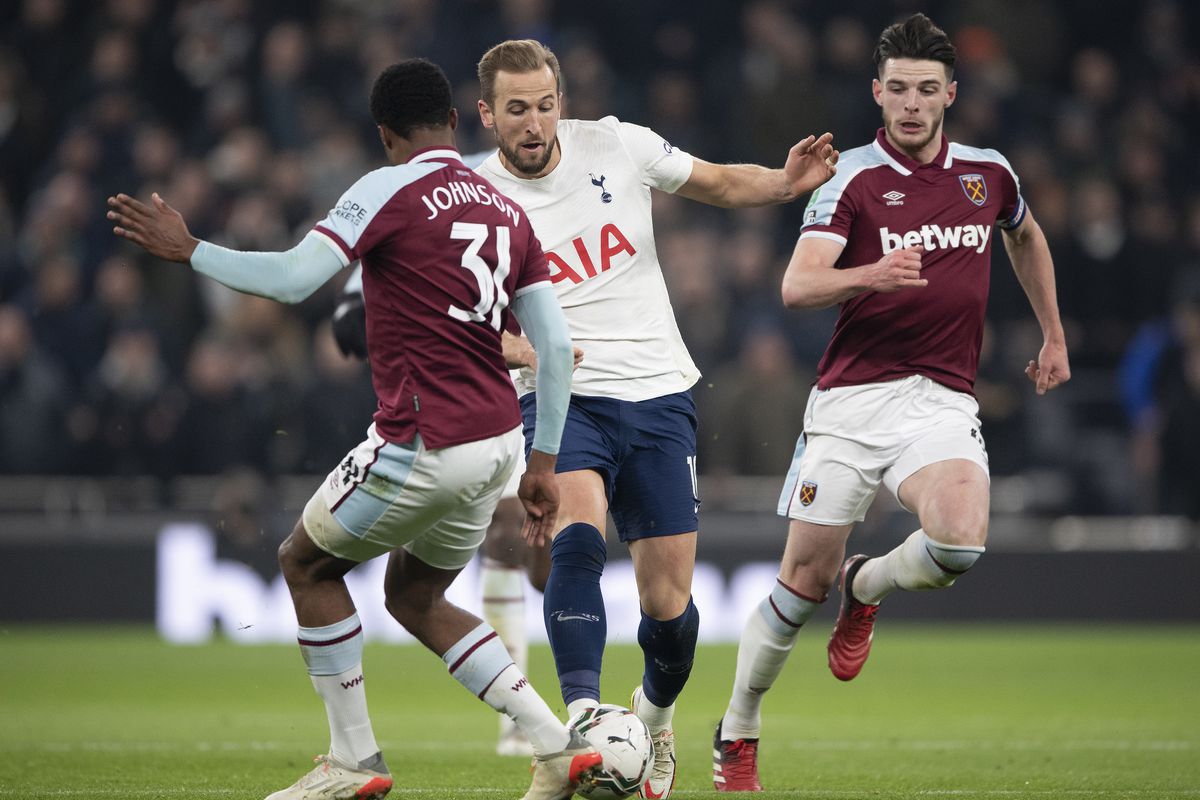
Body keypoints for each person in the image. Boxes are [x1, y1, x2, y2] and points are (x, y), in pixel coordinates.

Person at [108, 58, 600, 800]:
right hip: (500, 444)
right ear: (456, 121)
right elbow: (555, 349)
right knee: (416, 597)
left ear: (385, 134)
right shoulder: (508, 210)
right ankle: (556, 744)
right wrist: (543, 464)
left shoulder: (385, 189)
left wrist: (192, 250)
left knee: (305, 564)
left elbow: (293, 280)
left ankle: (354, 760)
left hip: (424, 441)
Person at [712, 14, 1071, 792]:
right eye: (898, 89)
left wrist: (1053, 334)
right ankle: (738, 729)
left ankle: (867, 584)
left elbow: (1025, 236)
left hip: (939, 399)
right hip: (850, 402)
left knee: (960, 543)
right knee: (800, 585)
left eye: (926, 90)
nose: (912, 104)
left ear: (951, 95)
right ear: (877, 92)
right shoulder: (850, 177)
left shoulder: (988, 174)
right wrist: (870, 275)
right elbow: (797, 285)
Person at [472, 39, 838, 799]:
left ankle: (653, 718)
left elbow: (717, 181)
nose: (534, 123)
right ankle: (581, 722)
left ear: (561, 102)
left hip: (659, 394)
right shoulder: (477, 200)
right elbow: (455, 316)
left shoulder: (618, 145)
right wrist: (513, 347)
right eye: (517, 109)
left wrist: (783, 184)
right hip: (562, 398)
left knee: (669, 610)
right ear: (487, 114)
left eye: (545, 105)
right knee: (576, 540)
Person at [332, 254, 571, 758]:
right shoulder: (435, 215)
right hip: (479, 385)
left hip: (548, 374)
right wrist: (359, 305)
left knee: (544, 566)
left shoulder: (529, 221)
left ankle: (568, 702)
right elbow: (359, 305)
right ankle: (520, 720)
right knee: (506, 537)